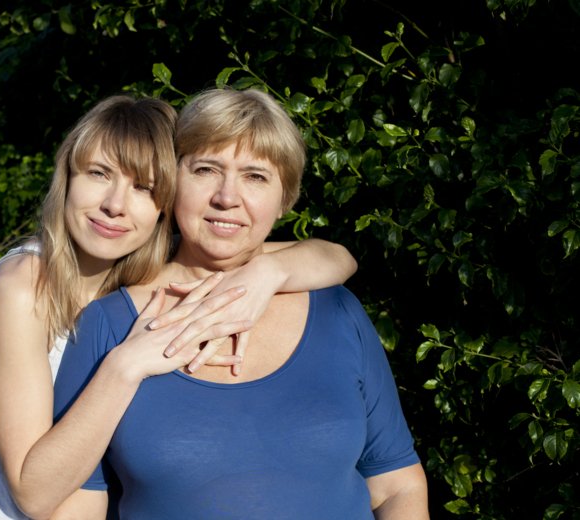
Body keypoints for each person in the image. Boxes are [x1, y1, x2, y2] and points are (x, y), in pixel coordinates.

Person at [0, 94, 358, 519]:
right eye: (99, 174)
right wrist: (125, 366)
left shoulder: (144, 272)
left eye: (143, 187)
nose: (115, 205)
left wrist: (270, 273)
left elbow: (336, 257)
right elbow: (33, 493)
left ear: (166, 203)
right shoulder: (24, 285)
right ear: (66, 176)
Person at [53, 88, 429, 519]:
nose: (227, 197)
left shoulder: (337, 311)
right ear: (172, 182)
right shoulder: (109, 323)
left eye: (255, 177)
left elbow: (396, 485)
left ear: (285, 198)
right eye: (206, 170)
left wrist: (270, 272)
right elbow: (75, 504)